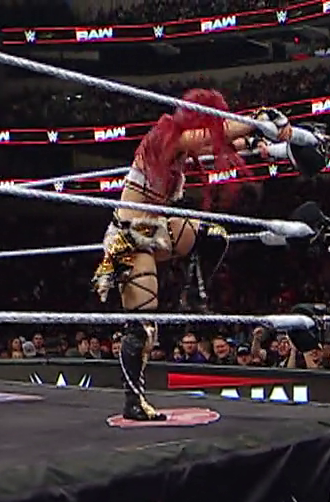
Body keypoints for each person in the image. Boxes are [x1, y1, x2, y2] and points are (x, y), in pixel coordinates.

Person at [91, 89, 298, 421]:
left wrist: (261, 143)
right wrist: (258, 118)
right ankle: (133, 400)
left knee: (213, 237)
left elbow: (221, 143)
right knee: (142, 328)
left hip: (155, 230)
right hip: (130, 238)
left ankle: (192, 293)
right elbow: (214, 135)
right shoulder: (165, 137)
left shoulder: (182, 148)